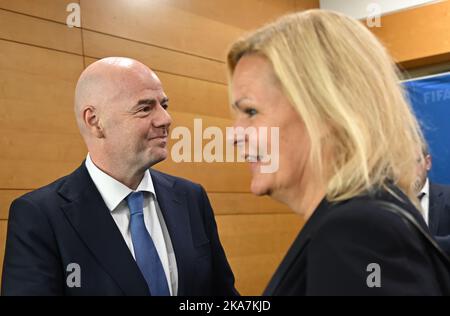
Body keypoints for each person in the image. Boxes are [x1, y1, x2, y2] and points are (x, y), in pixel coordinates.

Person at [227, 10, 450, 295]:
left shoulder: (356, 232)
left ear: (324, 111)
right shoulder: (366, 215)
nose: (234, 135)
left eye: (251, 111)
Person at [1, 57, 238, 296]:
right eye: (145, 108)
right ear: (95, 122)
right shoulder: (39, 217)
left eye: (163, 105)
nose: (165, 119)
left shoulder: (191, 198)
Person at [415, 146, 450, 256]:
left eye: (415, 162)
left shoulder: (447, 196)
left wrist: (416, 243)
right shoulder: (390, 202)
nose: (409, 170)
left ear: (428, 163)